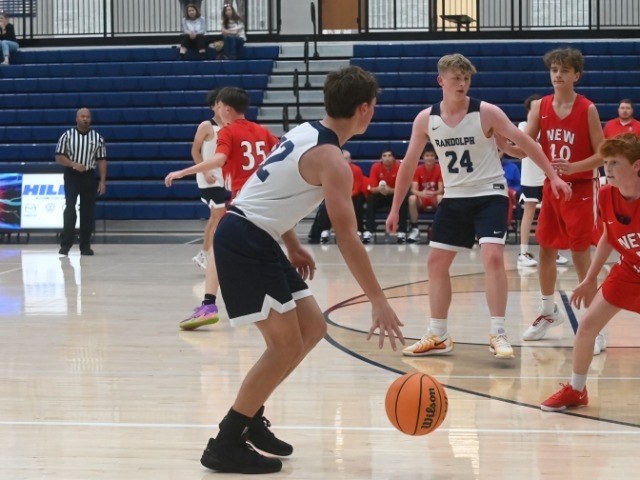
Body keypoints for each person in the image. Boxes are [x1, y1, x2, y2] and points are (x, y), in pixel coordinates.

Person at [192, 65, 404, 474]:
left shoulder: (305, 131)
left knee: (312, 328)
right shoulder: (332, 160)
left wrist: (292, 243)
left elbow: (267, 189)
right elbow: (347, 237)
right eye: (374, 106)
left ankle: (251, 416)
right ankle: (225, 442)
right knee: (285, 345)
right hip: (245, 238)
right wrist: (377, 299)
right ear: (364, 109)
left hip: (258, 233)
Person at [385, 53, 570, 359]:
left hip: (489, 194)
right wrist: (395, 208)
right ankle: (438, 334)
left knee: (493, 257)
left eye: (466, 78)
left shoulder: (486, 112)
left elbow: (527, 143)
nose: (462, 84)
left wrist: (553, 176)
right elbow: (407, 166)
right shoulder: (426, 119)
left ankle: (498, 332)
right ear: (441, 81)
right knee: (435, 264)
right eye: (455, 78)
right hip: (454, 197)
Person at [541, 133, 640, 411]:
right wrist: (589, 278)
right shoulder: (607, 194)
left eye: (615, 162)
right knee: (587, 326)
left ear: (636, 166)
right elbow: (609, 236)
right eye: (605, 162)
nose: (608, 168)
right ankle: (576, 390)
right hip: (630, 270)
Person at [165, 86, 278, 329]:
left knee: (220, 247)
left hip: (243, 201)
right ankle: (265, 301)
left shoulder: (228, 131)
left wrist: (183, 172)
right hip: (266, 201)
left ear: (225, 108)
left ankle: (209, 306)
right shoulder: (262, 131)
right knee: (252, 249)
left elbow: (218, 159)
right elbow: (279, 153)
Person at [516, 48, 606, 353]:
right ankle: (547, 312)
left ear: (576, 75)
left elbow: (603, 154)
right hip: (552, 188)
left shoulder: (587, 108)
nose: (558, 75)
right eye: (554, 70)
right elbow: (526, 146)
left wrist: (574, 167)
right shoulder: (540, 106)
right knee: (545, 250)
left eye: (564, 70)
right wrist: (503, 143)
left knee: (581, 254)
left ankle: (593, 324)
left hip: (581, 188)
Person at [517, 94, 570, 268]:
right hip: (530, 177)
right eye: (533, 107)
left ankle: (552, 250)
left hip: (548, 176)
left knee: (552, 214)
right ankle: (523, 252)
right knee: (529, 212)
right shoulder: (523, 126)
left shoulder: (549, 126)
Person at [55, 108, 107, 256]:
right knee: (70, 208)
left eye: (88, 116)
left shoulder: (97, 138)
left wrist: (102, 181)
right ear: (76, 118)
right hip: (72, 175)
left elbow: (102, 160)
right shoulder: (67, 136)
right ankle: (66, 244)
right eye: (82, 116)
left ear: (91, 119)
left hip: (89, 176)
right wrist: (73, 164)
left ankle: (85, 246)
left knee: (87, 212)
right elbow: (59, 157)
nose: (85, 119)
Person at [190, 89, 227, 271]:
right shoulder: (206, 125)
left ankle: (206, 253)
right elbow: (194, 151)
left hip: (223, 176)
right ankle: (206, 254)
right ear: (213, 107)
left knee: (216, 216)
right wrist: (205, 172)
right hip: (208, 177)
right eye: (219, 105)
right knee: (218, 215)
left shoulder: (229, 126)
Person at [308, 149, 368, 244]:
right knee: (327, 204)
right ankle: (320, 232)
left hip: (353, 195)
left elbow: (357, 188)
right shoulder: (331, 170)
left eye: (346, 158)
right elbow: (329, 187)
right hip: (338, 196)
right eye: (341, 158)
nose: (344, 161)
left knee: (357, 201)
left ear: (350, 160)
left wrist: (344, 197)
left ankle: (359, 230)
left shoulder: (356, 170)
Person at [363, 149, 409, 244]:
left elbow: (403, 188)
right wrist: (380, 189)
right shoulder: (375, 167)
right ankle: (369, 231)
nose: (387, 158)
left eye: (389, 156)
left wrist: (390, 190)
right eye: (384, 156)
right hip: (381, 195)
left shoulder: (399, 167)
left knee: (403, 199)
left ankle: (402, 232)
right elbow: (372, 188)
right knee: (371, 199)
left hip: (394, 196)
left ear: (393, 158)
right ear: (381, 159)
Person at [407, 143, 443, 244]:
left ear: (435, 157)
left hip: (434, 197)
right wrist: (421, 194)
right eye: (427, 155)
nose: (429, 158)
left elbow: (441, 190)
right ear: (423, 157)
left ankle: (440, 228)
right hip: (422, 198)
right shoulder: (418, 169)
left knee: (441, 197)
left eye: (432, 155)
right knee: (412, 199)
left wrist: (434, 193)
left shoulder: (439, 169)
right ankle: (415, 229)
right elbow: (413, 189)